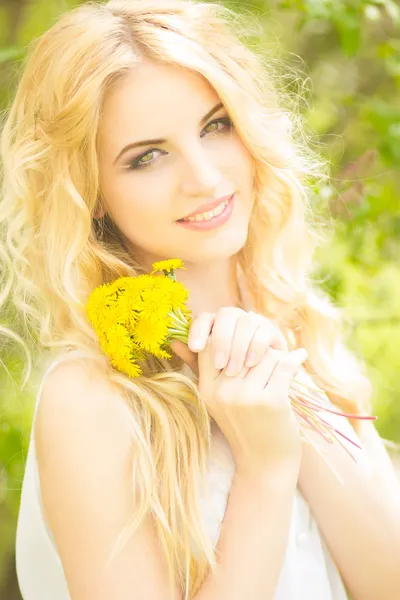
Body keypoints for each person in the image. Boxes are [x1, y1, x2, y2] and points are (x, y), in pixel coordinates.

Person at [0, 0, 399, 598]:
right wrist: (263, 469)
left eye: (216, 125)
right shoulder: (92, 400)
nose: (206, 178)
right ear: (93, 192)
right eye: (147, 156)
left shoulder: (302, 340)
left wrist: (285, 393)